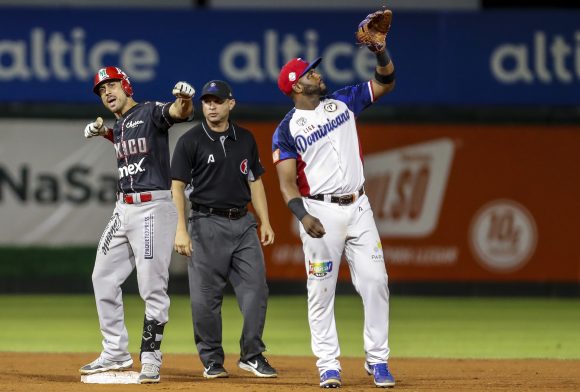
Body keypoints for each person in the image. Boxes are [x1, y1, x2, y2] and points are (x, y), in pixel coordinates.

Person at [271, 10, 397, 389]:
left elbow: (385, 82)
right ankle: (328, 365)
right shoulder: (286, 130)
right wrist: (301, 216)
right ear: (296, 86)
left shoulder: (343, 102)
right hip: (319, 212)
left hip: (358, 207)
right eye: (310, 73)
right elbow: (287, 185)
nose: (318, 74)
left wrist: (380, 52)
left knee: (376, 281)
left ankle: (378, 361)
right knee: (321, 291)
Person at [79, 66, 195, 384]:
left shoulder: (150, 111)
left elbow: (176, 113)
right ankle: (115, 352)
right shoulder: (122, 124)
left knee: (151, 288)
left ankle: (150, 357)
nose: (107, 93)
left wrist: (184, 99)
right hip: (123, 208)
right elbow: (130, 144)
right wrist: (107, 134)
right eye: (102, 91)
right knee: (102, 276)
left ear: (126, 85)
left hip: (153, 208)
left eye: (112, 85)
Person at [171, 80, 277, 380]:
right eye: (207, 101)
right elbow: (176, 187)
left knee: (256, 290)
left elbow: (255, 181)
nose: (211, 106)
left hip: (243, 224)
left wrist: (265, 220)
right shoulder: (190, 140)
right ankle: (212, 360)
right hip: (205, 223)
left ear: (231, 103)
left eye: (217, 100)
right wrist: (181, 228)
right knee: (205, 300)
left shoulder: (245, 138)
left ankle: (252, 355)